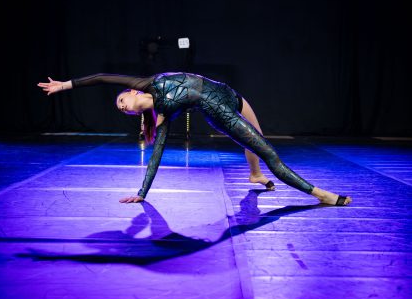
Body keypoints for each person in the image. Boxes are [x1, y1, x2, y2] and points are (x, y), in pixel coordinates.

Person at [38, 72, 351, 206]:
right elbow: (156, 155)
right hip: (218, 110)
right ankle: (320, 194)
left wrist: (65, 85)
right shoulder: (161, 116)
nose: (121, 108)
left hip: (229, 94)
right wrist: (142, 193)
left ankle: (254, 175)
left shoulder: (145, 83)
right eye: (120, 110)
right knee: (270, 153)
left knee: (258, 138)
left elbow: (101, 78)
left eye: (121, 102)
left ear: (132, 94)